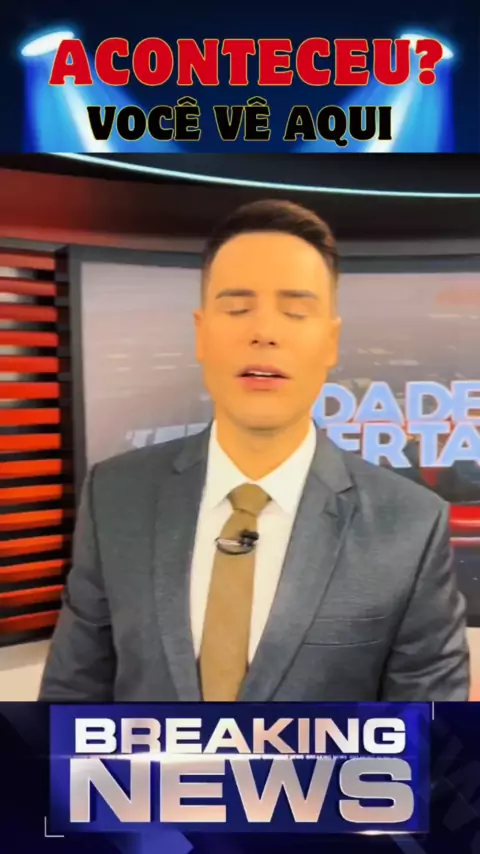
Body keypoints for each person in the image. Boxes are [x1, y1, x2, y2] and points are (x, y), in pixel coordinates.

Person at [39, 199, 469, 702]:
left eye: (295, 311)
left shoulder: (411, 525)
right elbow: (68, 708)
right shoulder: (115, 497)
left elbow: (428, 736)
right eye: (238, 309)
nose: (264, 332)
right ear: (201, 332)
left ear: (331, 341)